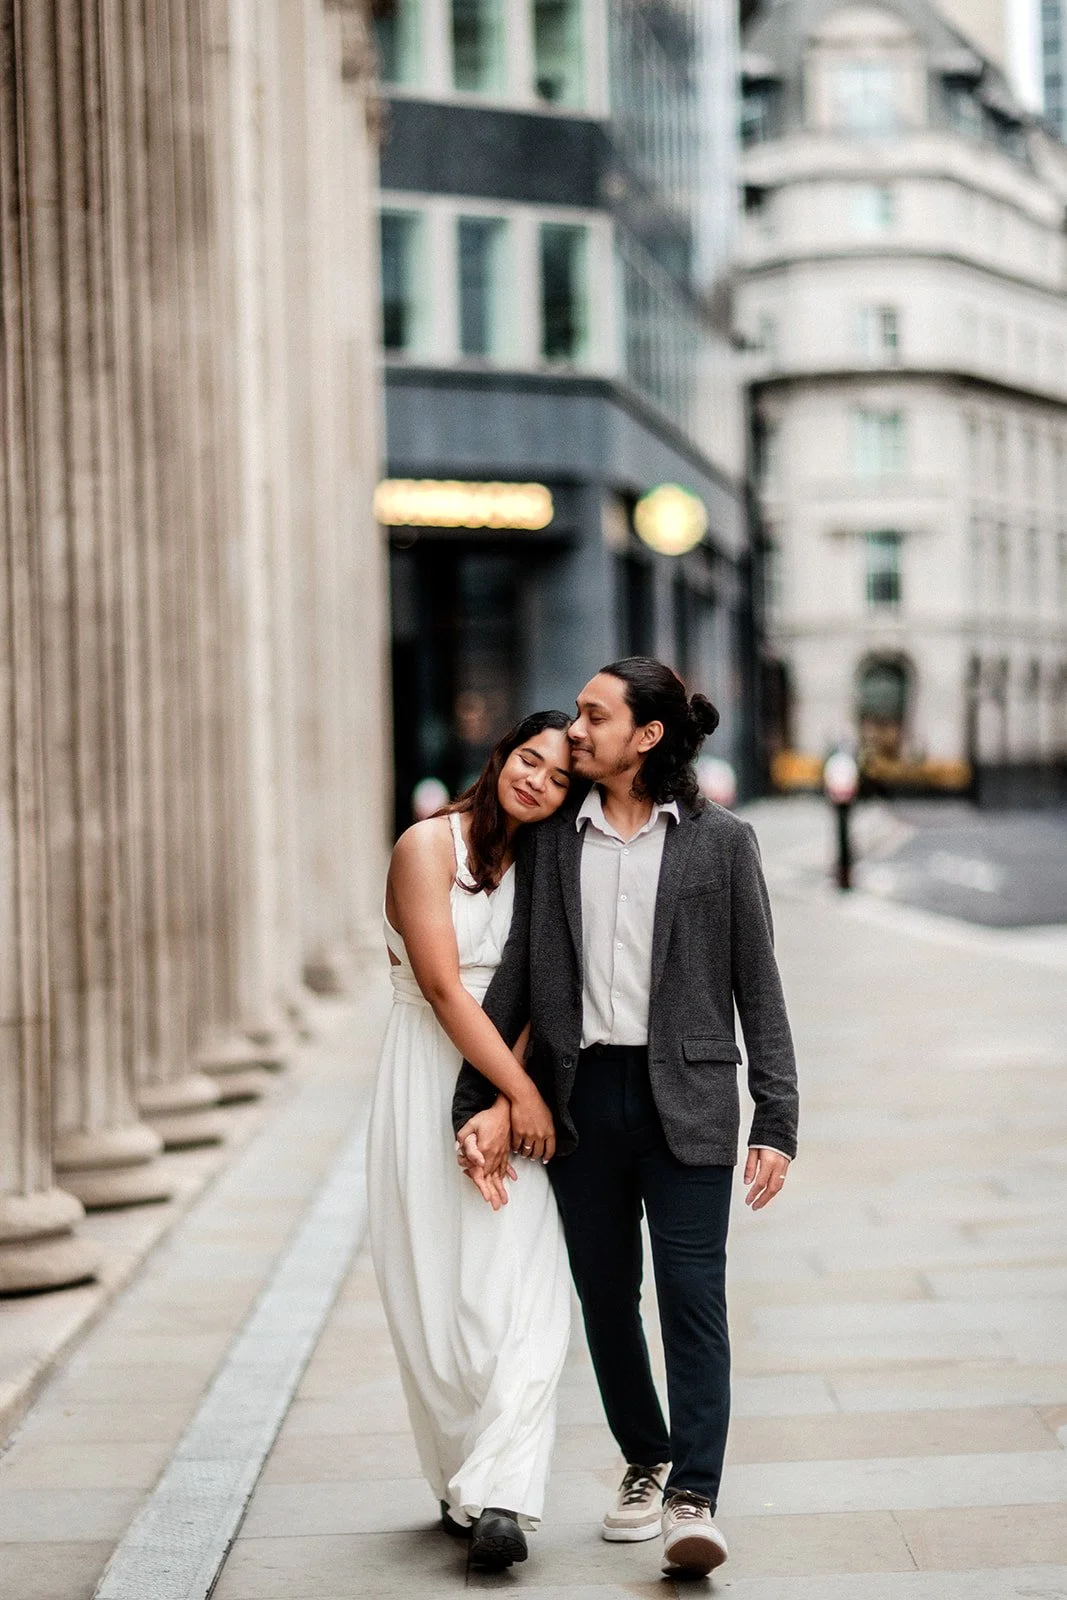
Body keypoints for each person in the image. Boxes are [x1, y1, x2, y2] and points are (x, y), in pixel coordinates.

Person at [454, 658, 799, 1579]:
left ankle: (694, 1494)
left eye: (592, 716)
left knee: (694, 1297)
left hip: (685, 1099)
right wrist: (475, 1101)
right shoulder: (556, 838)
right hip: (579, 1101)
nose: (574, 729)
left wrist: (777, 1118)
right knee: (605, 1298)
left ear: (644, 737)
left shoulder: (721, 842)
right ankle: (642, 1459)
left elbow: (756, 984)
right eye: (575, 713)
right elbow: (522, 972)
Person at [366, 711, 573, 1570]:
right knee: (436, 1294)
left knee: (526, 1282)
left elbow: (546, 986)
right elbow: (449, 990)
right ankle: (465, 1476)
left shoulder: (553, 866)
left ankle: (507, 1493)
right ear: (501, 755)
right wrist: (516, 1092)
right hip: (425, 1075)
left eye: (561, 778)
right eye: (530, 759)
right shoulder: (427, 847)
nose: (538, 781)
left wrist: (505, 1098)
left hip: (509, 1077)